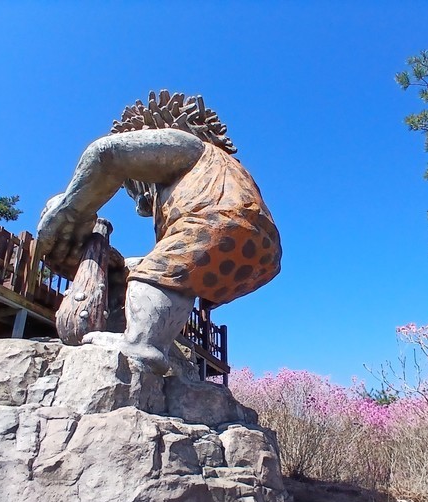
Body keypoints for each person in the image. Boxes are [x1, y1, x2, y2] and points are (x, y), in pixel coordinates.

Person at [37, 91, 281, 374]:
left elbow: (105, 154)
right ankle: (152, 338)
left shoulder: (190, 145)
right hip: (261, 251)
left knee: (160, 269)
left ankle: (141, 345)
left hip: (217, 222)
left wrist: (68, 211)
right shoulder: (222, 172)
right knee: (174, 272)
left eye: (133, 188)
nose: (139, 204)